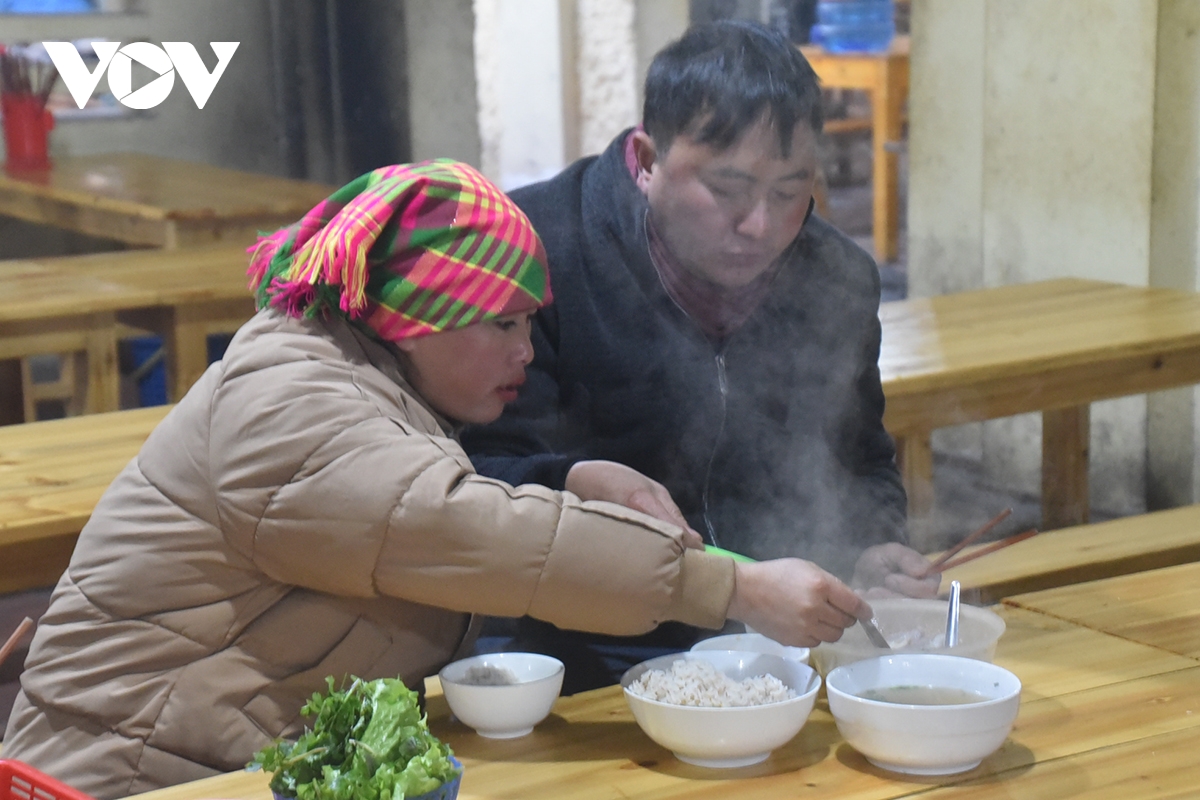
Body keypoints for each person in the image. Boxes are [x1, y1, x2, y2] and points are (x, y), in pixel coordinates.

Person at [2, 160, 872, 799]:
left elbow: (421, 511)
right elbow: (468, 531)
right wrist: (733, 585)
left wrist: (572, 473)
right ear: (414, 318)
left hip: (210, 769)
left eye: (532, 321)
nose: (527, 352)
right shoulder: (290, 403)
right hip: (112, 781)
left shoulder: (351, 372)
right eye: (501, 323)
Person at [462, 21, 937, 691]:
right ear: (648, 157)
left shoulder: (838, 278)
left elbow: (860, 458)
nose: (759, 227)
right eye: (728, 189)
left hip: (775, 655)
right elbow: (478, 480)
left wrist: (871, 546)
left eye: (788, 191)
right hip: (568, 653)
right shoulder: (537, 258)